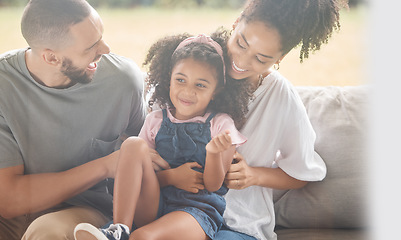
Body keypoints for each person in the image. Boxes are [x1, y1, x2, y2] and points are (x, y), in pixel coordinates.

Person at [151, 0, 345, 240]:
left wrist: (254, 175)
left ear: (280, 58)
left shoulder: (279, 95)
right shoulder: (193, 67)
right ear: (236, 23)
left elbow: (302, 173)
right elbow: (150, 134)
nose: (242, 62)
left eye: (261, 59)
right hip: (172, 210)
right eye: (241, 44)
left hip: (238, 223)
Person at [73, 33, 251, 240]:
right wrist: (172, 177)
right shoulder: (155, 120)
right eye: (180, 80)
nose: (187, 91)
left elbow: (213, 185)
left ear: (216, 91)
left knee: (142, 237)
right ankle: (119, 228)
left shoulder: (221, 124)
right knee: (132, 144)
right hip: (155, 201)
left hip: (195, 212)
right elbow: (138, 174)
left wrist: (212, 153)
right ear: (169, 80)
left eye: (200, 85)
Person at [0, 0, 146, 239]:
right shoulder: (4, 85)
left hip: (84, 210)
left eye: (101, 37)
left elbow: (147, 154)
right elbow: (8, 199)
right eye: (91, 47)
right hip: (12, 215)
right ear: (51, 58)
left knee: (47, 232)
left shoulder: (123, 82)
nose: (106, 49)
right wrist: (104, 166)